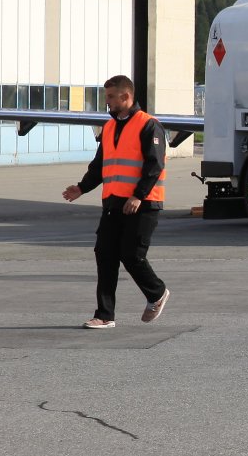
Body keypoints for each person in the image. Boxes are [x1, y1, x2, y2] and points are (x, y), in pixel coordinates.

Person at [62, 75, 171, 329]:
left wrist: (138, 195)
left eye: (111, 97)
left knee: (132, 255)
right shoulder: (109, 127)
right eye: (107, 96)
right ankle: (104, 315)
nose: (107, 102)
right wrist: (81, 188)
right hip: (113, 203)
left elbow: (155, 165)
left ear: (126, 96)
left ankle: (156, 292)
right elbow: (99, 165)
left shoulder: (149, 125)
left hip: (143, 203)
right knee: (105, 254)